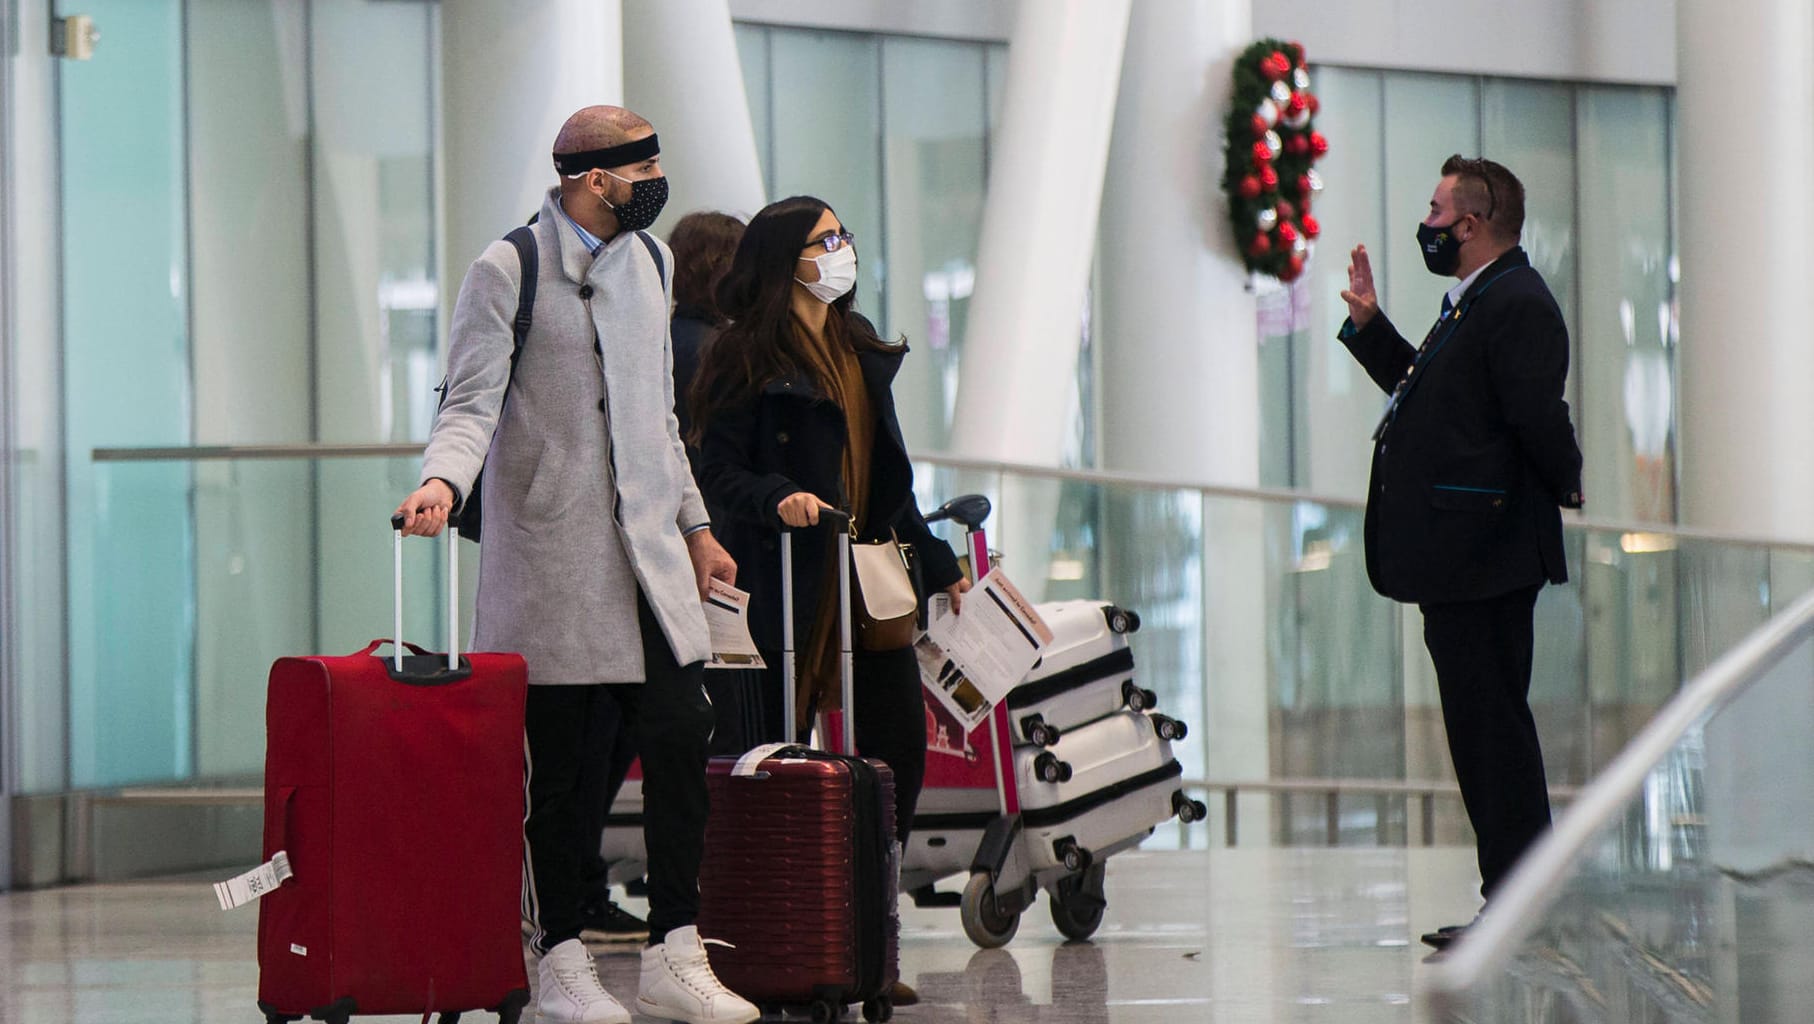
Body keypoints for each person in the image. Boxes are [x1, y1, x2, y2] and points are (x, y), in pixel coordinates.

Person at [395, 105, 758, 1024]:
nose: (656, 184)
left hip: (648, 562)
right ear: (595, 179)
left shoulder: (655, 264)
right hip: (554, 562)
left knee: (680, 734)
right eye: (647, 171)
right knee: (559, 774)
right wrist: (442, 483)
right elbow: (470, 400)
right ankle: (558, 958)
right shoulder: (505, 267)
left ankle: (677, 950)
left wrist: (698, 524)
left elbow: (658, 422)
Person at [689, 196, 969, 1006]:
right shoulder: (744, 357)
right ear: (786, 260)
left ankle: (867, 945)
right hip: (783, 583)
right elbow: (714, 474)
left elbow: (892, 488)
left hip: (868, 581)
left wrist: (942, 564)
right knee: (774, 760)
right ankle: (775, 944)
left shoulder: (858, 348)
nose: (841, 251)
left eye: (843, 236)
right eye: (825, 240)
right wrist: (776, 497)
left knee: (895, 758)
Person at [1336, 155, 1584, 952]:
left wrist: (1569, 483)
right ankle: (1507, 904)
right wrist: (1371, 327)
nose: (1429, 222)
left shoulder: (1516, 302)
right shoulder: (1476, 302)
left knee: (1495, 739)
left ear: (1471, 225)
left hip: (1488, 561)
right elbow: (1433, 396)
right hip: (1460, 564)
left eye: (1437, 209)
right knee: (1481, 738)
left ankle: (1520, 909)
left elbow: (1533, 418)